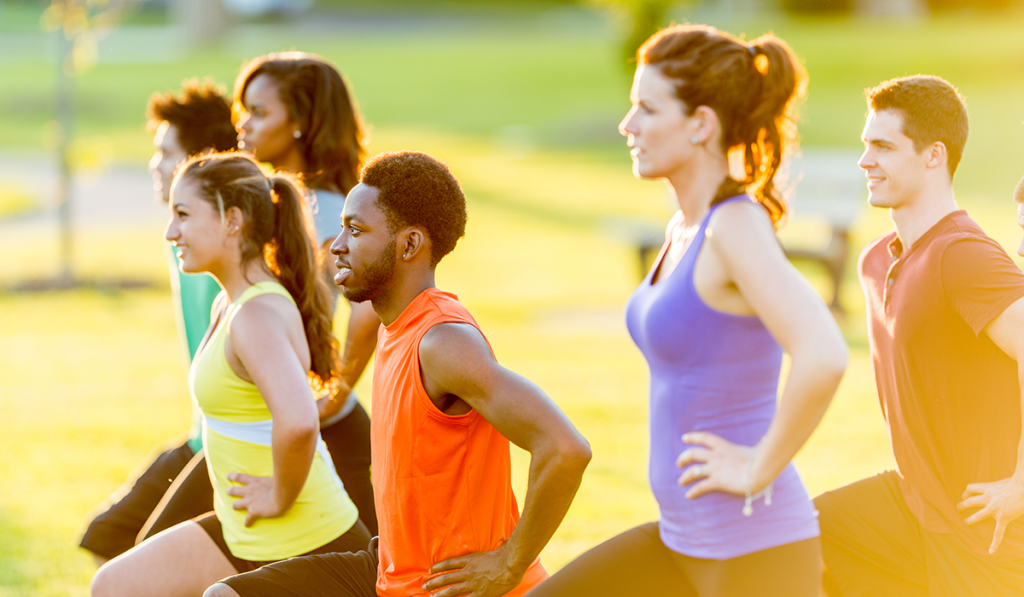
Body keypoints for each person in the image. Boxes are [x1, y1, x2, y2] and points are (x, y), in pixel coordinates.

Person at [528, 24, 847, 597]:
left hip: (754, 554)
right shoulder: (685, 227)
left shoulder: (735, 226)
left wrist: (757, 468)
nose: (628, 126)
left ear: (700, 123)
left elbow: (823, 354)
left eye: (647, 109)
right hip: (681, 542)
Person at [203, 150, 593, 597]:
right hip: (388, 567)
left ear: (409, 245)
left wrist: (509, 563)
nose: (337, 246)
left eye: (356, 230)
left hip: (447, 587)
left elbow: (565, 448)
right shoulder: (394, 324)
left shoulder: (443, 342)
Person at [91, 152, 371, 597]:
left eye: (183, 215)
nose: (170, 232)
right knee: (116, 585)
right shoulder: (232, 303)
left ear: (232, 221)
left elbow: (299, 421)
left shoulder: (255, 315)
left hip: (308, 540)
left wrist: (279, 493)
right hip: (245, 533)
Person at [816, 75, 1024, 596]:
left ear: (934, 156)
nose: (865, 160)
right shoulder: (874, 261)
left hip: (983, 531)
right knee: (790, 539)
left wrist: (1022, 485)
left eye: (883, 146)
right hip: (914, 506)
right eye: (866, 144)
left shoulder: (963, 256)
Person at [79, 80, 237, 565]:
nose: (154, 164)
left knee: (144, 561)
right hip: (198, 434)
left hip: (227, 445)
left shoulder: (222, 247)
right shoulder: (181, 238)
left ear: (202, 159)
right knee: (106, 536)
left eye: (165, 152)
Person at [234, 52, 379, 532]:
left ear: (300, 123)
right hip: (270, 422)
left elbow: (368, 312)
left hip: (319, 428)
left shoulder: (330, 214)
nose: (243, 125)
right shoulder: (269, 203)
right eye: (243, 110)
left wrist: (333, 396)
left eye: (258, 112)